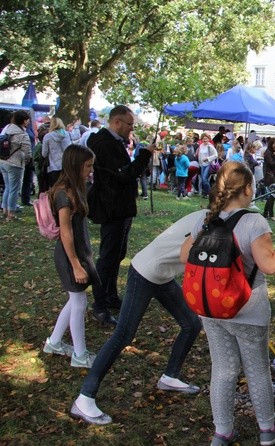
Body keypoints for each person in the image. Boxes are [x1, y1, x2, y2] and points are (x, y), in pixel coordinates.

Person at [181, 161, 275, 446]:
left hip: (211, 309)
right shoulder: (254, 222)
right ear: (249, 189)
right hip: (249, 311)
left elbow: (183, 256)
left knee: (223, 369)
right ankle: (266, 430)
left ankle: (222, 432)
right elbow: (270, 264)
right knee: (257, 370)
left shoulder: (203, 218)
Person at [70, 210, 205, 426]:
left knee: (191, 324)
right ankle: (84, 399)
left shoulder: (213, 216)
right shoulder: (209, 221)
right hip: (144, 272)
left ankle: (170, 377)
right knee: (123, 334)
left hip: (161, 275)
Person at [86, 105, 155, 327]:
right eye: (129, 125)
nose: (131, 130)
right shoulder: (105, 143)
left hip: (120, 207)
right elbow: (126, 174)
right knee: (107, 257)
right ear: (116, 123)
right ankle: (99, 306)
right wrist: (145, 154)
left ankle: (110, 296)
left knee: (117, 254)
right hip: (111, 207)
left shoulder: (112, 142)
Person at [42, 145, 100, 367]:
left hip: (79, 253)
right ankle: (80, 355)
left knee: (75, 300)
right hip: (69, 256)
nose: (91, 170)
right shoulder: (63, 194)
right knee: (79, 302)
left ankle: (55, 342)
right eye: (87, 166)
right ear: (76, 165)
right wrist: (75, 264)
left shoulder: (75, 189)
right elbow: (65, 232)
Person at [0, 110, 31, 221]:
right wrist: (27, 161)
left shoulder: (7, 129)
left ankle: (5, 210)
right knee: (14, 189)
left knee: (8, 187)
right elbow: (27, 151)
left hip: (3, 161)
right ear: (23, 121)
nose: (28, 122)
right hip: (15, 163)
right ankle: (11, 213)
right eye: (27, 120)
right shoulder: (22, 134)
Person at [42, 117, 74, 189]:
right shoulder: (68, 134)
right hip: (67, 165)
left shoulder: (48, 136)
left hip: (53, 167)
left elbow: (44, 154)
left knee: (55, 189)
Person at [262, 137, 275, 222]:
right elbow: (271, 164)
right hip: (269, 176)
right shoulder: (268, 153)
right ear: (271, 144)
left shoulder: (273, 153)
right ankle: (271, 215)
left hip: (274, 175)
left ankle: (265, 214)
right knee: (272, 196)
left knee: (272, 195)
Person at [197, 133, 217, 197]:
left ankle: (209, 193)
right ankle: (206, 193)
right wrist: (200, 163)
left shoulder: (210, 146)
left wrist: (208, 159)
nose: (205, 140)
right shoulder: (201, 146)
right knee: (203, 180)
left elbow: (215, 155)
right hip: (202, 164)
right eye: (203, 139)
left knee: (205, 179)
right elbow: (199, 155)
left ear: (208, 139)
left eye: (206, 139)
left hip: (209, 164)